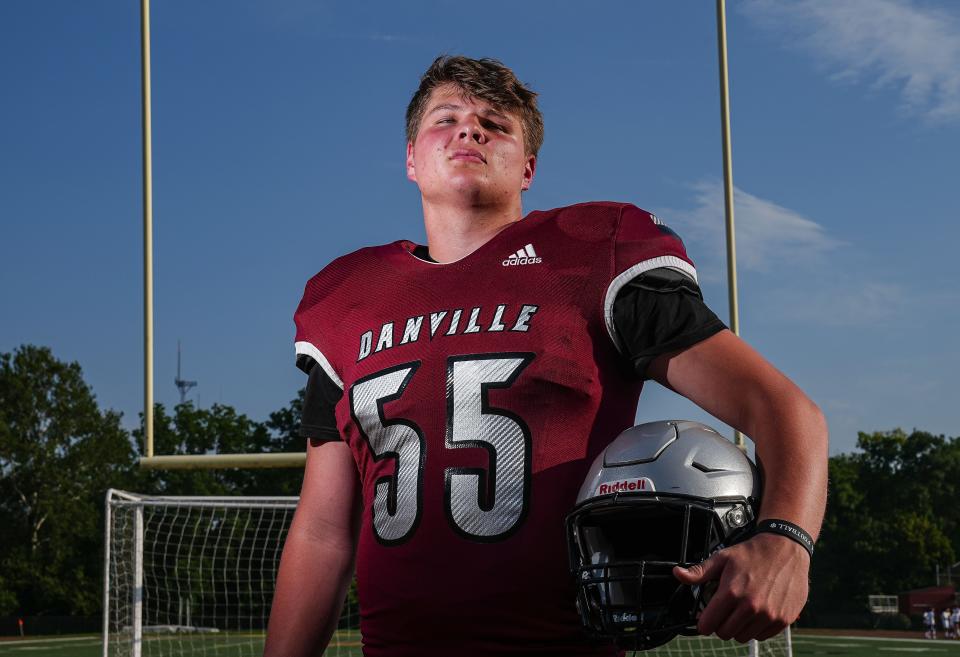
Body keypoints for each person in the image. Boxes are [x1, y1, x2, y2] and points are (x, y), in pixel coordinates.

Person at [264, 55, 828, 657]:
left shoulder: (591, 255)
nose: (469, 130)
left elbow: (783, 408)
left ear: (527, 167)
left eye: (495, 124)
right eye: (445, 118)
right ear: (410, 159)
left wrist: (785, 538)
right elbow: (325, 530)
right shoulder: (344, 299)